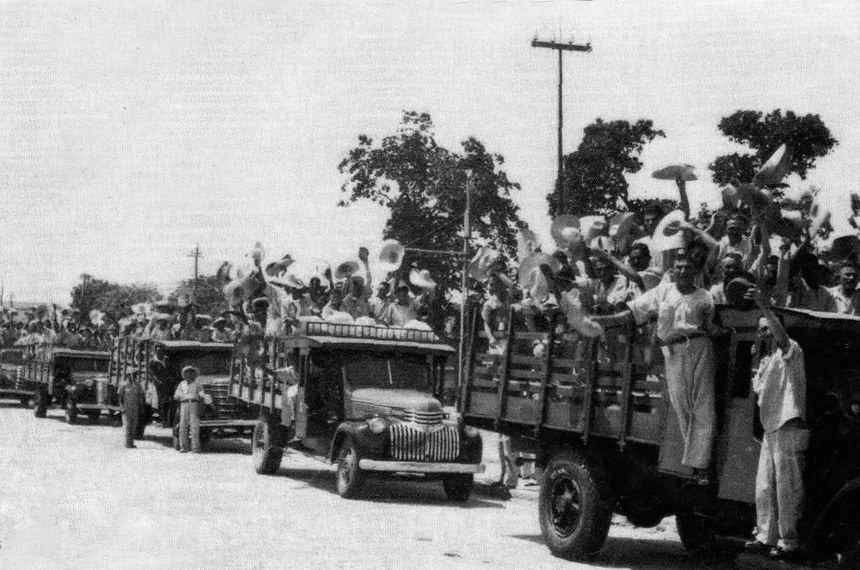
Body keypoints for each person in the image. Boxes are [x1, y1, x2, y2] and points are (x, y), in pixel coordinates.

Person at [625, 254, 717, 482]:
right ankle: (695, 461)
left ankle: (702, 466)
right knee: (681, 405)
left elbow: (710, 325)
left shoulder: (705, 296)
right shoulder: (663, 291)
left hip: (699, 346)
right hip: (672, 352)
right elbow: (636, 310)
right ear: (673, 271)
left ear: (696, 272)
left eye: (688, 267)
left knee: (703, 405)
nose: (684, 271)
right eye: (679, 267)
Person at [745, 288, 808, 562]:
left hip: (788, 426)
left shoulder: (791, 351)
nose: (766, 333)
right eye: (762, 330)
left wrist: (764, 307)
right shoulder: (766, 361)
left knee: (787, 487)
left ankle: (789, 542)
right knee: (764, 487)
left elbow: (782, 339)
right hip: (771, 429)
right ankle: (765, 537)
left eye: (769, 328)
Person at [173, 365, 207, 453]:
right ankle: (183, 447)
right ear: (184, 374)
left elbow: (202, 397)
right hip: (183, 404)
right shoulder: (182, 384)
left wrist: (201, 408)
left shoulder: (198, 384)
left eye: (191, 372)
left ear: (194, 374)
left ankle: (195, 448)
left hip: (194, 404)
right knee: (182, 426)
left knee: (194, 427)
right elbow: (176, 396)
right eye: (187, 372)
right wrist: (178, 408)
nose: (189, 374)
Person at [120, 370, 145, 449]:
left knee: (134, 426)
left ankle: (131, 442)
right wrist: (122, 407)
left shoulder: (137, 385)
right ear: (127, 376)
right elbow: (120, 398)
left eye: (134, 375)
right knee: (127, 426)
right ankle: (127, 443)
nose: (133, 377)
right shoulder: (123, 385)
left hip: (135, 408)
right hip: (127, 409)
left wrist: (141, 407)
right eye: (132, 375)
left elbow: (140, 397)